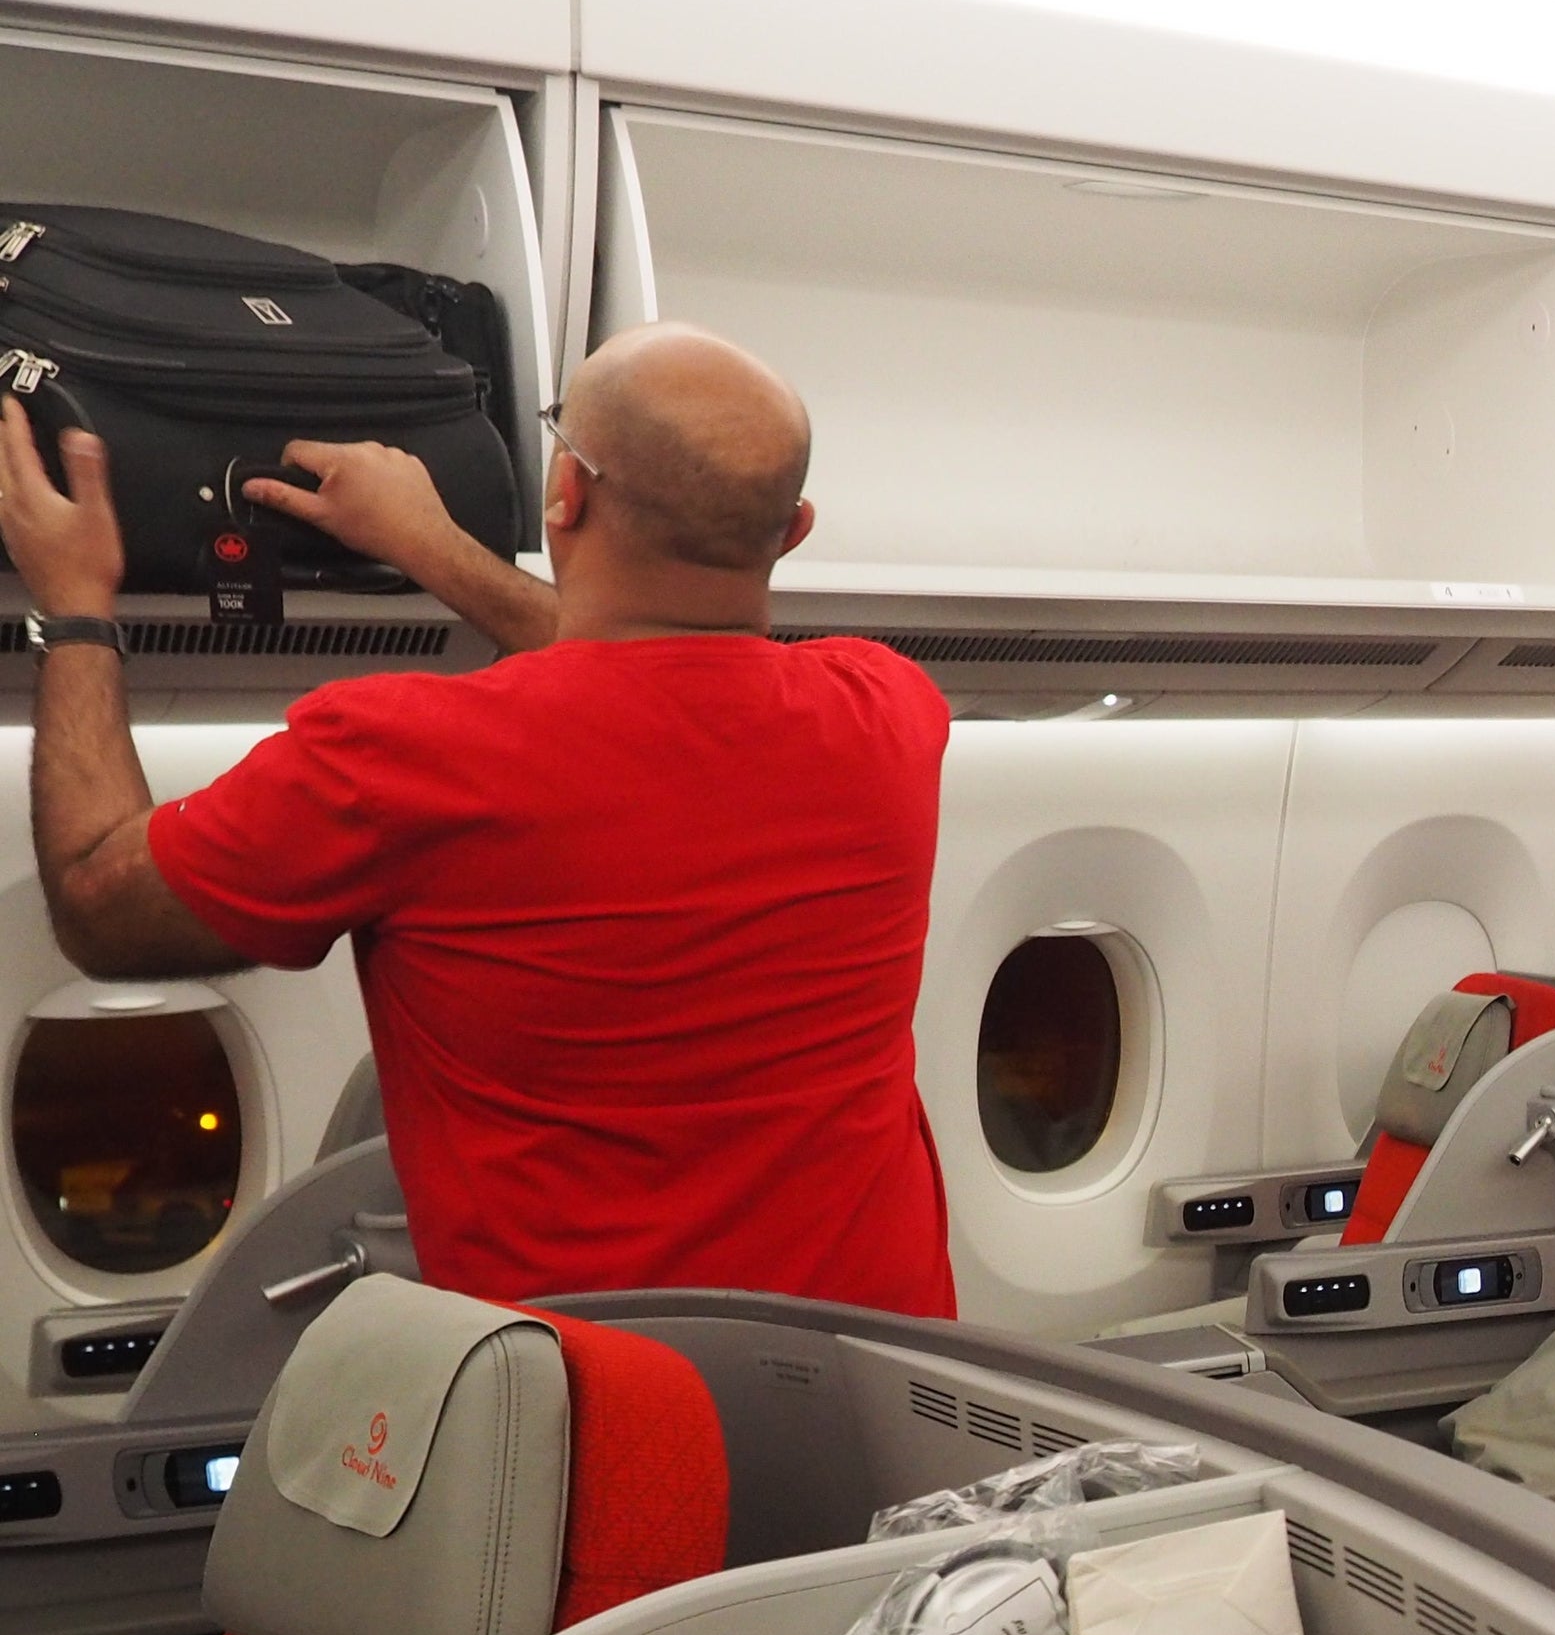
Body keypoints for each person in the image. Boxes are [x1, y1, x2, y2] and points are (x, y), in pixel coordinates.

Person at [0, 321, 957, 1317]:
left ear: (565, 493)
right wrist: (430, 546)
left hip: (593, 1391)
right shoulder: (890, 713)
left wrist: (74, 605)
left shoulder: (405, 756)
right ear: (794, 529)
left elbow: (99, 903)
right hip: (884, 1375)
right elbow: (652, 672)